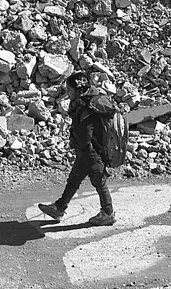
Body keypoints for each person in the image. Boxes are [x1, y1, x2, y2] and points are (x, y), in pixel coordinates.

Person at [37, 71, 116, 226]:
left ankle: (108, 213)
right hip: (89, 151)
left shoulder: (87, 108)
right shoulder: (83, 103)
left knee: (98, 181)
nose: (68, 93)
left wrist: (77, 144)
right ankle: (59, 208)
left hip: (91, 152)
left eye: (70, 90)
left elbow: (86, 135)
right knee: (76, 179)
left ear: (78, 90)